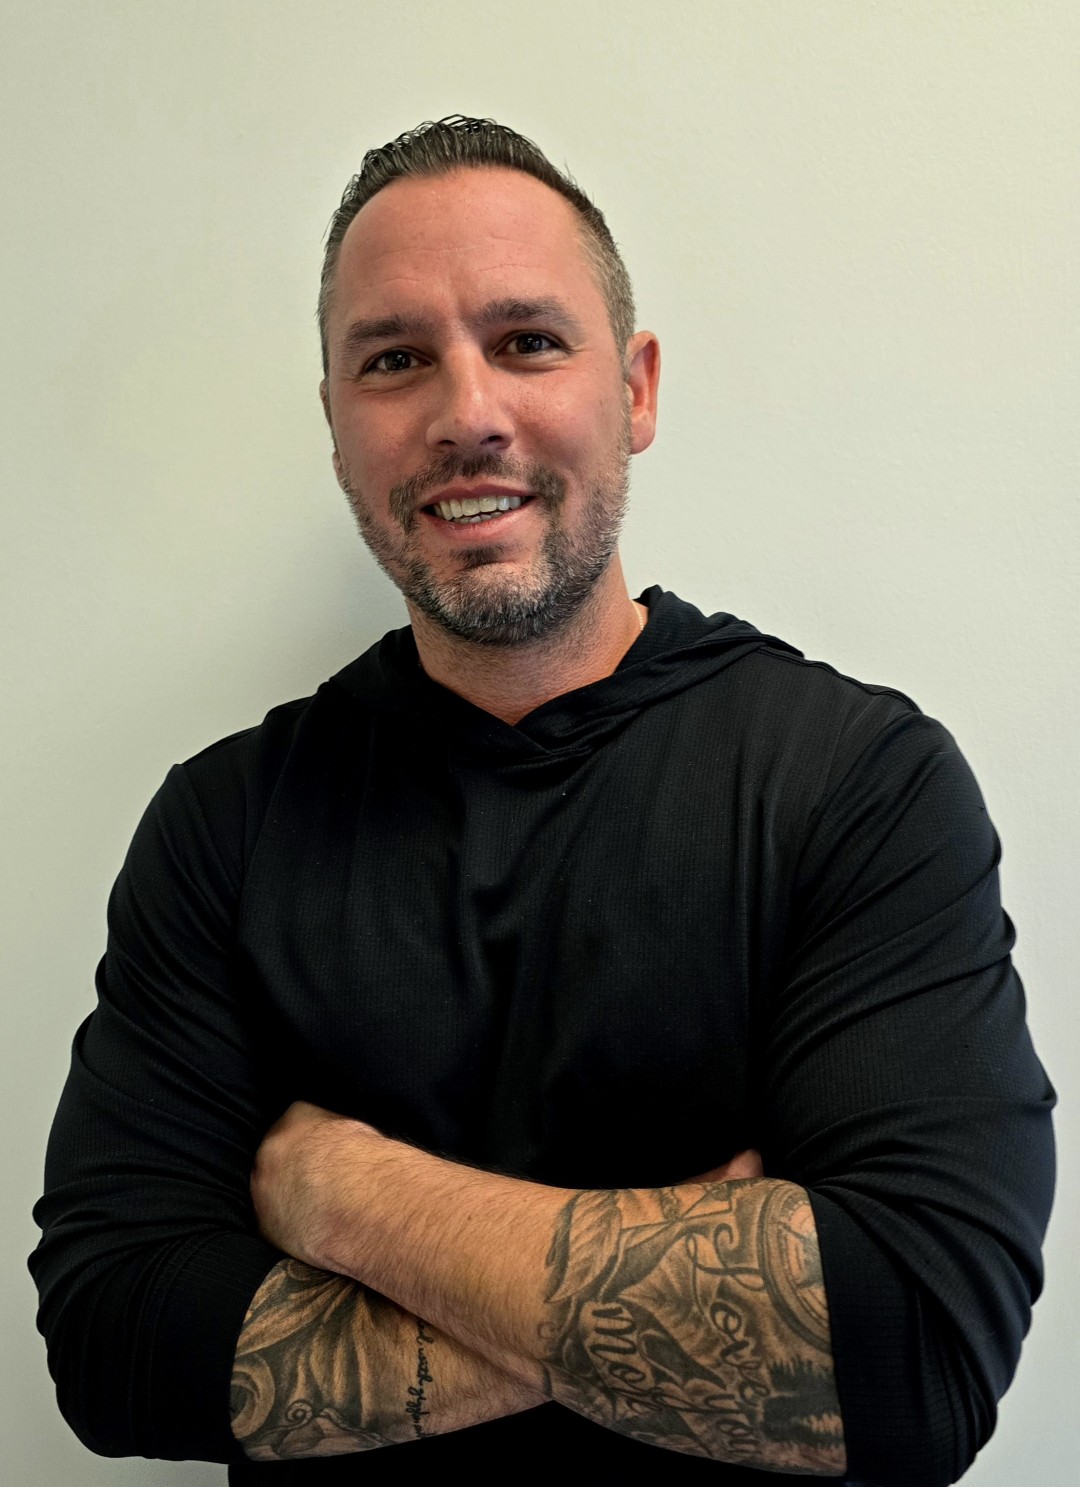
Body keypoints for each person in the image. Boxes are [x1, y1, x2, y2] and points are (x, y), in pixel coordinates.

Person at [30, 116, 1055, 1486]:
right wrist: (681, 1281)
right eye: (395, 360)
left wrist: (355, 1199)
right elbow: (114, 1348)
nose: (468, 413)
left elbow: (919, 1353)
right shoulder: (224, 827)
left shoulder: (855, 782)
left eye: (526, 341)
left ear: (635, 389)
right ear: (337, 419)